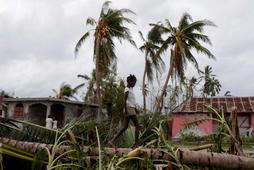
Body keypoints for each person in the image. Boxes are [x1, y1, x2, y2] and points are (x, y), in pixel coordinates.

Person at [108, 74, 141, 148]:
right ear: (129, 82)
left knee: (125, 127)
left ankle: (112, 141)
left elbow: (131, 101)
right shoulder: (127, 89)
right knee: (137, 125)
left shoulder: (131, 89)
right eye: (134, 82)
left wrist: (136, 109)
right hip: (129, 109)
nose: (134, 84)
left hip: (131, 108)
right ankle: (136, 144)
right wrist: (126, 111)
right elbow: (124, 100)